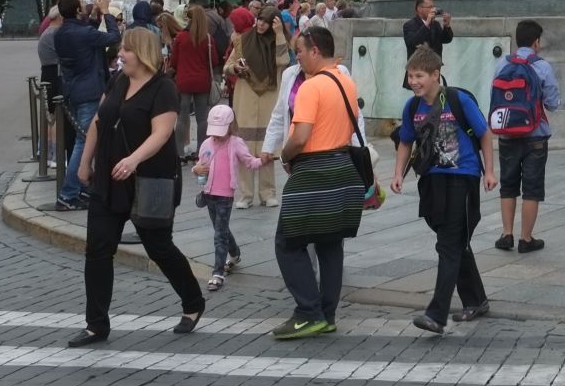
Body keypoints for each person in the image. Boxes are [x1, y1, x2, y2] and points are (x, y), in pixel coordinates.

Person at [67, 27, 204, 347]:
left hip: (150, 179)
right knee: (98, 250)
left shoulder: (164, 88)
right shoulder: (117, 80)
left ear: (142, 52)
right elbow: (99, 123)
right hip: (109, 178)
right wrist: (84, 164)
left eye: (125, 50)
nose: (120, 55)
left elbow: (161, 134)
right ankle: (96, 325)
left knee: (159, 247)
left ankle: (193, 301)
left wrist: (133, 160)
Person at [271, 24, 367, 340]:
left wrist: (284, 154)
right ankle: (327, 313)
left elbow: (300, 137)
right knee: (330, 244)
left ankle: (308, 312)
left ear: (315, 50)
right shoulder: (346, 82)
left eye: (299, 51)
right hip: (342, 168)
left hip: (314, 172)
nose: (297, 57)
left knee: (287, 242)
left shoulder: (311, 87)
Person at [391, 47, 497, 333]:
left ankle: (437, 313)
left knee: (449, 245)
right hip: (432, 181)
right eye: (411, 76)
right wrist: (398, 173)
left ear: (436, 74)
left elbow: (485, 134)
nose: (413, 81)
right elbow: (405, 141)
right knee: (454, 241)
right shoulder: (412, 107)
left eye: (419, 76)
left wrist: (489, 171)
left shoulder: (457, 100)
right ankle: (476, 300)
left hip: (462, 178)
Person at [491, 20, 560, 252]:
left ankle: (506, 234)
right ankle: (526, 238)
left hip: (507, 132)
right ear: (536, 42)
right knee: (532, 188)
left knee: (508, 185)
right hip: (535, 135)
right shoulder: (542, 67)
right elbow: (552, 103)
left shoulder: (502, 63)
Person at [53, 0, 120, 212]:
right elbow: (113, 37)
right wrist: (107, 12)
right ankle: (68, 194)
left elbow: (84, 36)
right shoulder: (83, 33)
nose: (86, 5)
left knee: (81, 142)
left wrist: (92, 17)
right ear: (77, 10)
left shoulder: (61, 32)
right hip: (89, 91)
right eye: (83, 4)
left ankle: (79, 188)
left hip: (73, 90)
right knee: (84, 142)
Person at [193, 103, 261, 290]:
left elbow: (249, 161)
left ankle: (217, 272)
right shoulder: (207, 144)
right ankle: (235, 253)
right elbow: (201, 167)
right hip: (209, 194)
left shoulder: (235, 143)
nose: (216, 134)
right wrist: (197, 173)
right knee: (220, 228)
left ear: (231, 126)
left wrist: (262, 160)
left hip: (225, 196)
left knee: (219, 234)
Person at [230, 5, 285, 207]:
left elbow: (283, 60)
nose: (261, 24)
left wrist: (279, 35)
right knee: (244, 147)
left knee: (266, 147)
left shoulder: (277, 42)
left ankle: (267, 193)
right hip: (245, 97)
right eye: (259, 19)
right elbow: (229, 65)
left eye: (266, 21)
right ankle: (245, 194)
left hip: (269, 98)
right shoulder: (242, 40)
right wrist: (235, 68)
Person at [170, 5, 218, 160]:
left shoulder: (180, 38)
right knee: (202, 118)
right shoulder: (208, 38)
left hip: (183, 81)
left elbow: (174, 62)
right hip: (202, 81)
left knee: (182, 117)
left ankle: (179, 153)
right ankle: (201, 151)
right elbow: (215, 60)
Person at [402, 0, 454, 71]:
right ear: (419, 9)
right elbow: (414, 42)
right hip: (418, 69)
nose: (433, 10)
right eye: (430, 7)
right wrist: (426, 24)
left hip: (434, 68)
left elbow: (446, 40)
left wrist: (447, 25)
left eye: (433, 7)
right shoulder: (409, 25)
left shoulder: (435, 24)